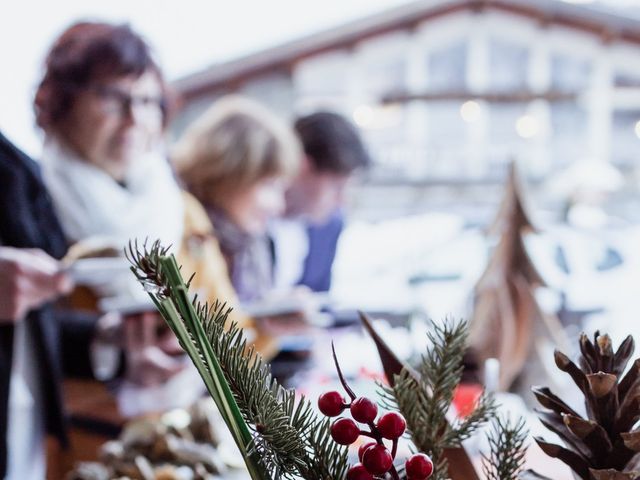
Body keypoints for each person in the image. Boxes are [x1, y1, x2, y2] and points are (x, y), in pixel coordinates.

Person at [34, 22, 261, 349]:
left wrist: (268, 329)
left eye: (147, 101)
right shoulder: (28, 206)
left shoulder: (182, 211)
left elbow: (229, 331)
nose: (134, 118)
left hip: (184, 398)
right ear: (62, 103)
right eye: (112, 97)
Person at [174, 96, 301, 304]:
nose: (278, 206)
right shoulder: (180, 233)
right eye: (269, 185)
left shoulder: (248, 249)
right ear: (231, 174)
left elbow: (236, 331)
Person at [271, 111, 371, 292]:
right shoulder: (248, 218)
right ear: (302, 167)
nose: (342, 201)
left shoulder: (329, 226)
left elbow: (321, 300)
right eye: (336, 187)